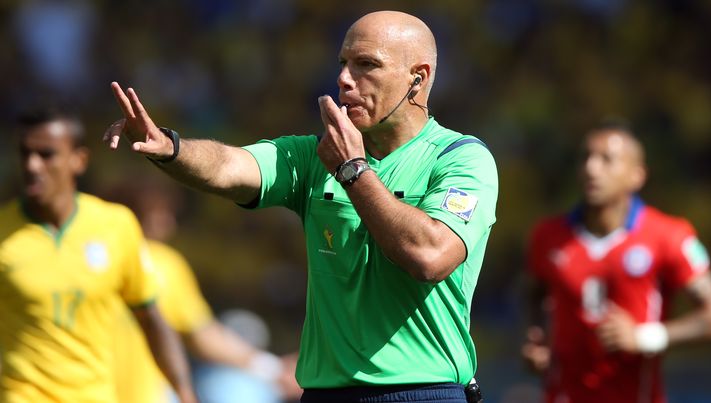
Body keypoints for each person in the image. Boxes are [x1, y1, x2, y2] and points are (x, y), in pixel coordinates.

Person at [104, 10, 498, 403]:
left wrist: (353, 171)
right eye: (343, 64)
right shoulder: (314, 156)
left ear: (419, 77)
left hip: (424, 393)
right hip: (323, 394)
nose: (345, 79)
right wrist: (170, 147)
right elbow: (228, 166)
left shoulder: (460, 159)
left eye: (366, 65)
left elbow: (429, 256)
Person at [0, 106, 197, 403]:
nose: (32, 165)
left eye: (46, 154)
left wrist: (185, 393)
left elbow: (150, 317)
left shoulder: (115, 225)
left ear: (79, 160)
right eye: (25, 154)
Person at [522, 122, 711, 403]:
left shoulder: (668, 236)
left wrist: (646, 337)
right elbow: (534, 293)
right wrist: (538, 339)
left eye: (607, 159)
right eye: (586, 157)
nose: (592, 168)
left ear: (636, 176)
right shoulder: (548, 236)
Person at [108, 180, 301, 403]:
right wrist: (273, 369)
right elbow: (202, 336)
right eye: (158, 215)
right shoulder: (160, 264)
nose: (168, 224)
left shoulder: (84, 257)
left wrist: (271, 369)